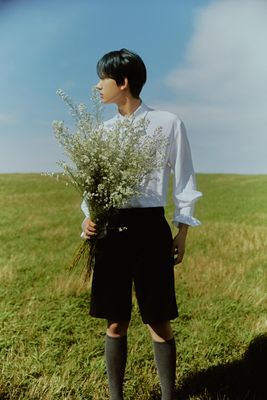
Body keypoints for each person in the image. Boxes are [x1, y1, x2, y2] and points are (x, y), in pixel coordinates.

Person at [81, 48, 202, 400]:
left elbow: (184, 179)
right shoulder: (102, 132)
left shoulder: (168, 123)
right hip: (110, 229)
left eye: (103, 79)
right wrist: (88, 217)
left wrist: (182, 230)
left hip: (150, 229)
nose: (97, 86)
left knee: (158, 319)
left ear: (123, 82)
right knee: (115, 321)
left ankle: (168, 396)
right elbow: (93, 185)